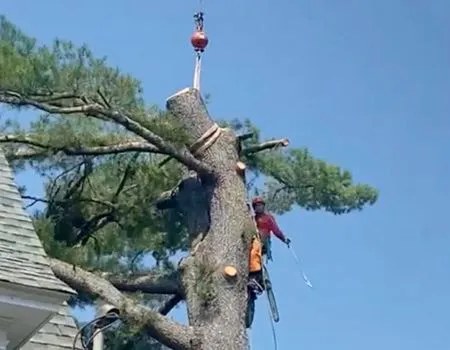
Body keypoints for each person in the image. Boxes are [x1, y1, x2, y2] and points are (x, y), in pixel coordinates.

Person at [248, 196, 290, 291]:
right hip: (254, 240)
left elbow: (276, 230)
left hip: (262, 241)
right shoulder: (253, 219)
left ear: (263, 206)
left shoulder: (268, 218)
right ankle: (261, 280)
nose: (258, 207)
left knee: (255, 253)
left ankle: (254, 277)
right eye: (256, 206)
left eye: (260, 205)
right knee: (252, 256)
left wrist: (284, 238)